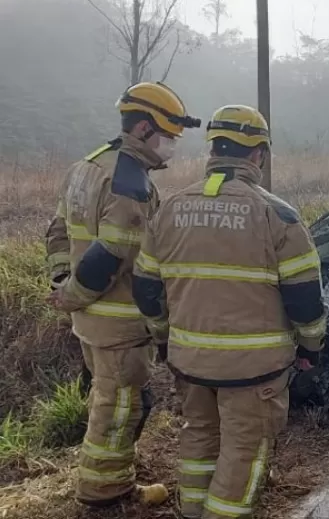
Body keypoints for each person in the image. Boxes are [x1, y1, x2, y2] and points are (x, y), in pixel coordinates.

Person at [131, 104, 327, 519]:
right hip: (254, 369)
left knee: (199, 436)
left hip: (189, 361)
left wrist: (165, 339)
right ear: (258, 154)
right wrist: (311, 347)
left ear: (214, 149)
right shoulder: (278, 215)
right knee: (244, 449)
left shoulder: (170, 209)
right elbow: (305, 298)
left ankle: (193, 511)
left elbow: (147, 289)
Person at [44, 81, 200, 508]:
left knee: (107, 399)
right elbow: (111, 255)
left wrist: (60, 281)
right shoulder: (130, 184)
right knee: (119, 410)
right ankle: (106, 494)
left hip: (89, 322)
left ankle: (106, 482)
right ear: (144, 128)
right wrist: (72, 294)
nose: (172, 146)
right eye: (168, 136)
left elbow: (58, 231)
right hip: (119, 324)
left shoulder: (87, 166)